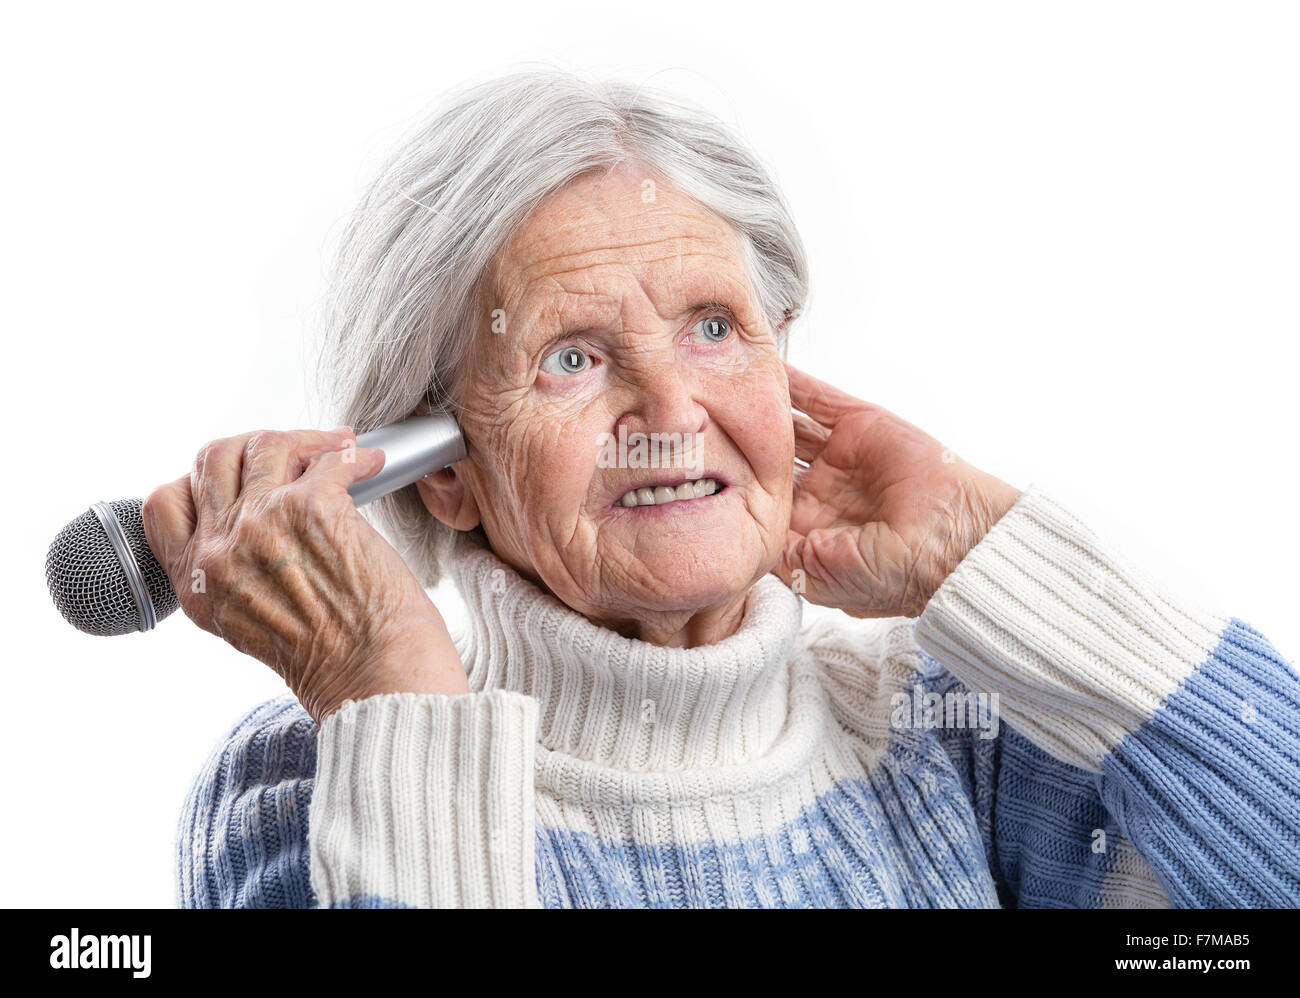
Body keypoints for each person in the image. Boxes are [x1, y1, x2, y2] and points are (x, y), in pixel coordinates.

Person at [145, 70, 1300, 908]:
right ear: (445, 469)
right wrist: (392, 701)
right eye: (572, 356)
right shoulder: (318, 777)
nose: (671, 409)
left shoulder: (948, 735)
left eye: (712, 327)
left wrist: (981, 545)